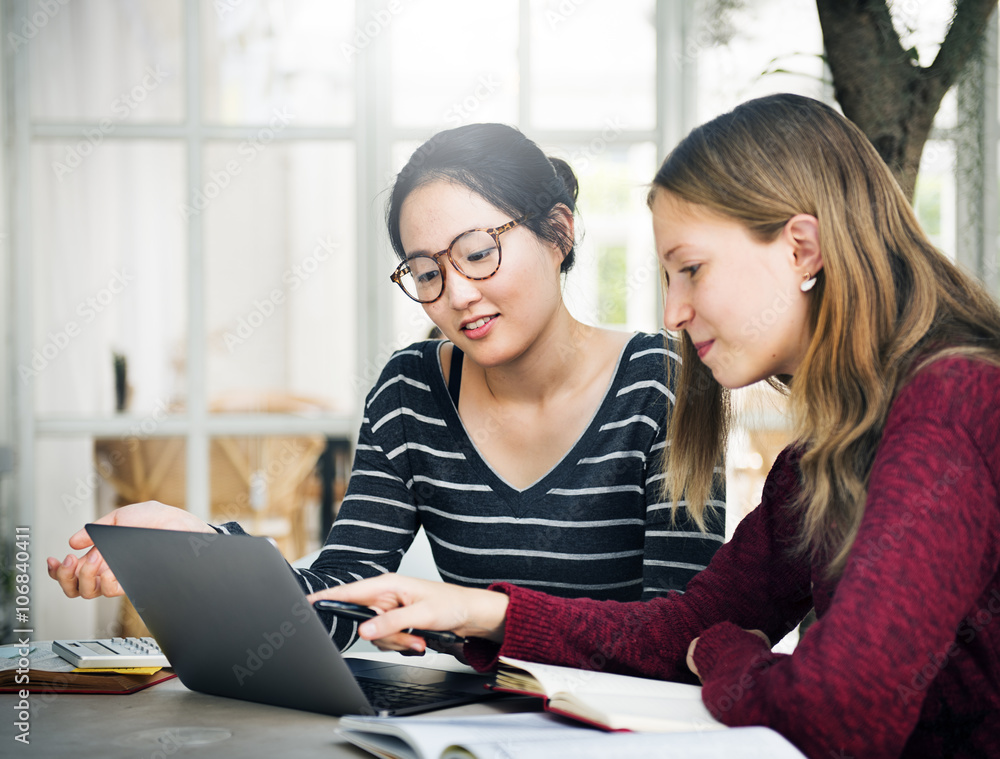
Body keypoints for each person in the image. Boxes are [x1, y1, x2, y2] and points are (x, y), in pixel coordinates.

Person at [306, 94, 1000, 759]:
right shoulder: (830, 451)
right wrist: (477, 611)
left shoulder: (951, 403)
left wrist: (725, 652)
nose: (673, 310)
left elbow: (837, 715)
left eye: (691, 269)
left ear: (801, 249)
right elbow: (683, 625)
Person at [48, 123, 725, 651]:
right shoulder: (412, 390)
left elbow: (678, 635)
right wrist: (201, 549)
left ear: (558, 231)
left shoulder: (664, 383)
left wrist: (484, 616)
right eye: (425, 272)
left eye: (479, 251)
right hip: (477, 729)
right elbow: (342, 595)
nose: (458, 294)